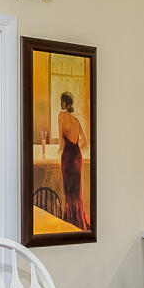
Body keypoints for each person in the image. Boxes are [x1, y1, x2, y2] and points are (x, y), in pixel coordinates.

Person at [57, 89, 90, 230]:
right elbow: (85, 142)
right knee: (77, 191)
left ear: (64, 103)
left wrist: (63, 149)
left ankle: (69, 220)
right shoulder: (76, 120)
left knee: (68, 189)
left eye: (61, 102)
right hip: (77, 156)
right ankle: (78, 219)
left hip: (68, 157)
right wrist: (76, 148)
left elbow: (61, 142)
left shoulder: (60, 115)